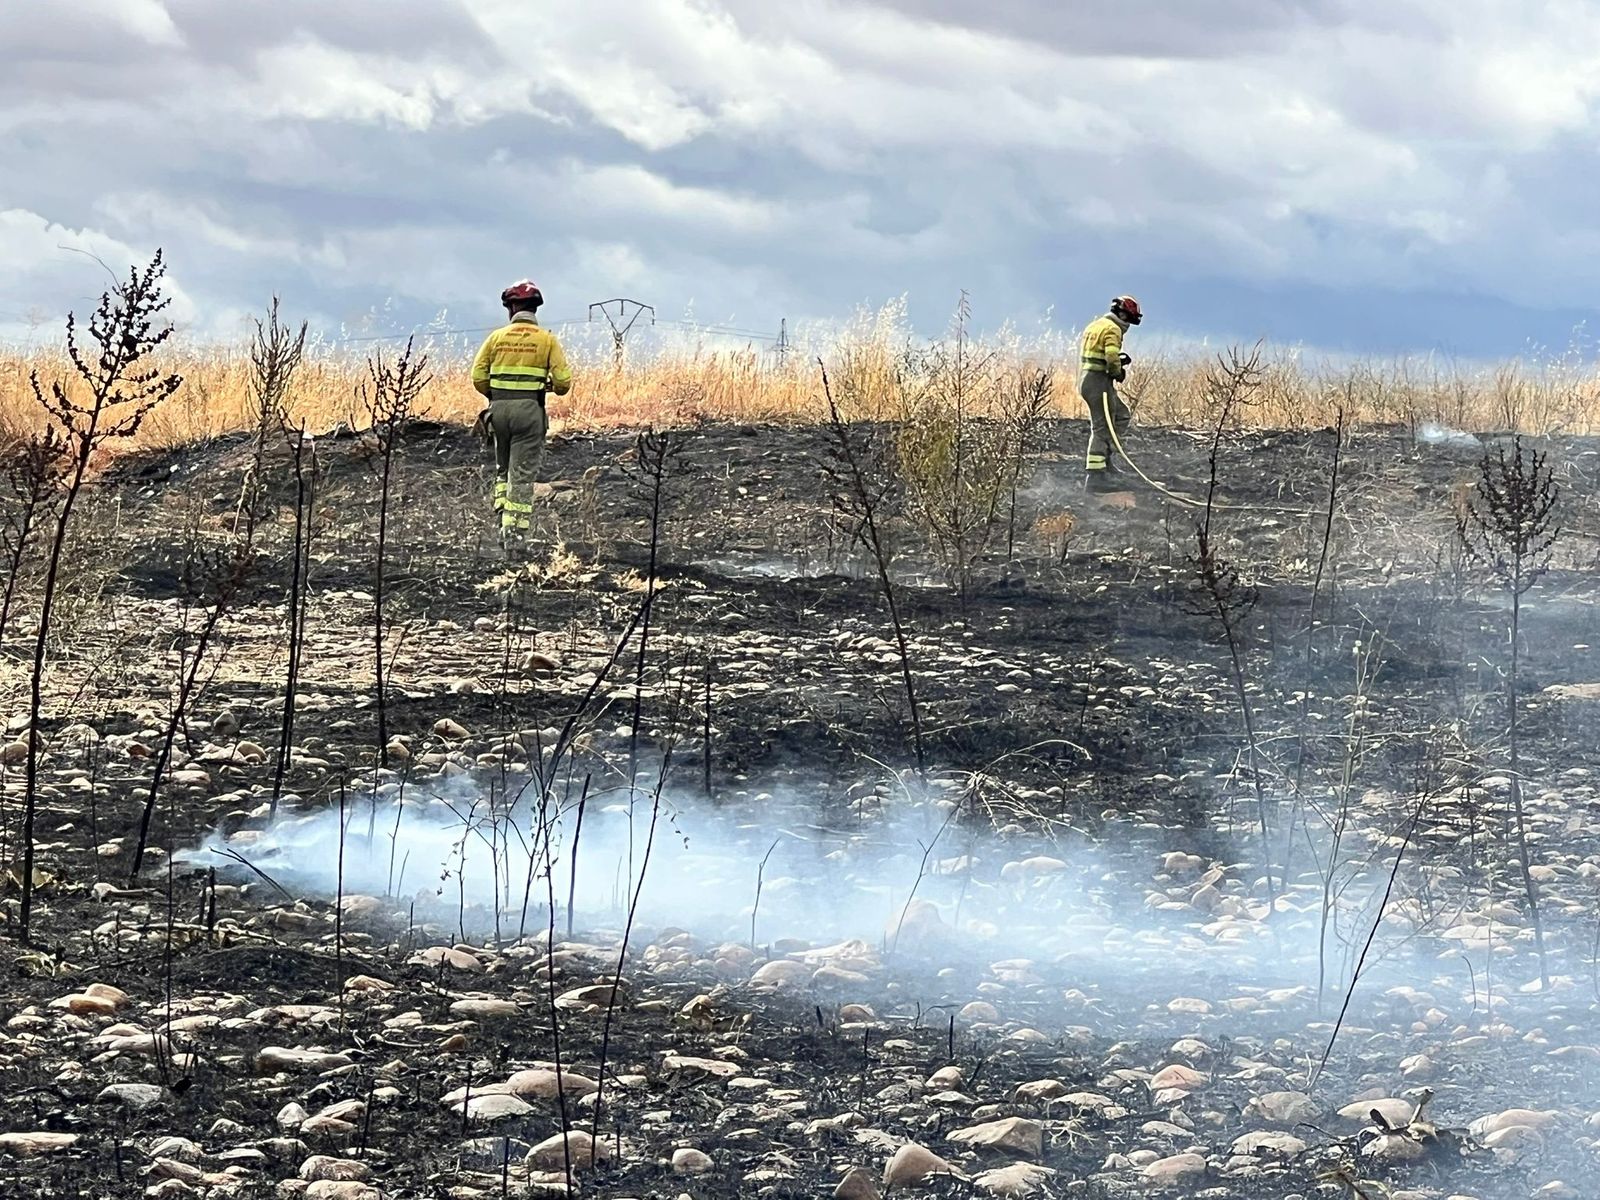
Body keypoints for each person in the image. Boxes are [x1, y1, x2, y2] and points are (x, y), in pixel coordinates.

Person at [471, 281, 573, 545]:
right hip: (529, 413)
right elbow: (563, 385)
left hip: (498, 411)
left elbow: (478, 376)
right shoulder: (547, 340)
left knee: (503, 470)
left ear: (511, 307)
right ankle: (514, 535)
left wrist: (497, 395)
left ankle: (500, 519)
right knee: (522, 474)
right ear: (534, 308)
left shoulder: (495, 338)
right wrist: (545, 384)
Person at [1079, 295, 1142, 491]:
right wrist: (1118, 371)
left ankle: (1107, 462)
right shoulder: (1113, 329)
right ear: (1122, 314)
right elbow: (1111, 356)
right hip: (1098, 382)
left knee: (1121, 415)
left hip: (1090, 379)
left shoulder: (1096, 325)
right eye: (1128, 320)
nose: (1128, 325)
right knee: (1101, 428)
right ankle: (1096, 476)